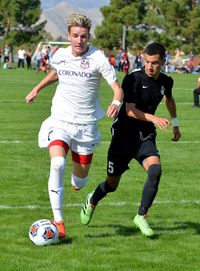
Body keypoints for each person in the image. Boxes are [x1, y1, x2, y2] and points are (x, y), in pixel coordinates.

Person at [25, 13, 123, 240]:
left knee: (80, 181)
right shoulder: (60, 55)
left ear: (89, 37)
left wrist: (116, 102)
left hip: (86, 126)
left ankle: (78, 184)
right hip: (60, 119)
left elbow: (117, 89)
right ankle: (59, 222)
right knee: (58, 162)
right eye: (76, 36)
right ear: (68, 35)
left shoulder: (98, 58)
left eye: (84, 36)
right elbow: (57, 73)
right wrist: (36, 89)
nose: (80, 40)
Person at [80, 42, 181, 237]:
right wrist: (154, 118)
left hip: (145, 136)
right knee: (111, 185)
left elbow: (169, 99)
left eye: (155, 63)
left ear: (163, 62)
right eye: (147, 61)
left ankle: (141, 216)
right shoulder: (133, 79)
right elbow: (130, 110)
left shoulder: (166, 82)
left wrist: (175, 123)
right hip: (123, 137)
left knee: (155, 170)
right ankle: (92, 199)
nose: (150, 66)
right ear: (143, 59)